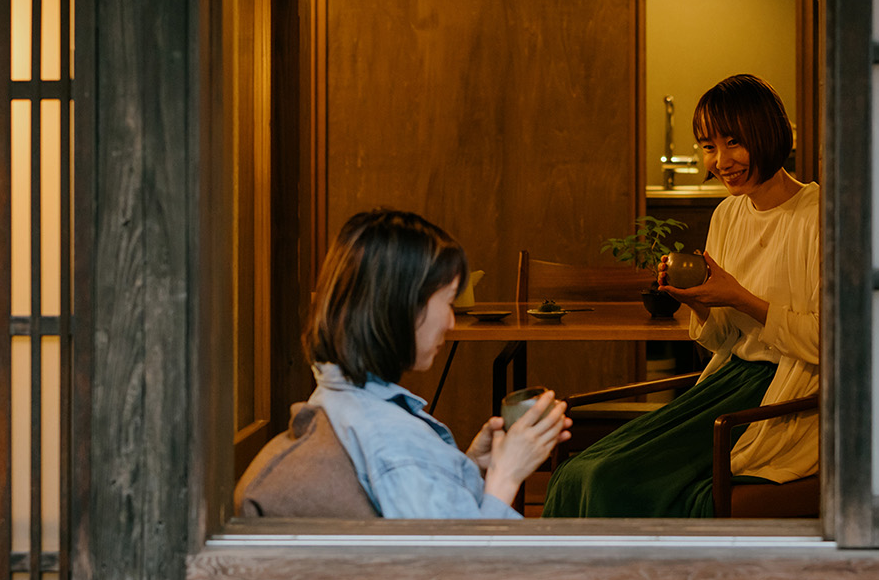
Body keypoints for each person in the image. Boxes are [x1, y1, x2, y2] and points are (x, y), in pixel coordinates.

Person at [543, 74, 818, 517]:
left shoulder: (818, 217)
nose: (720, 161)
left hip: (785, 393)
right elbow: (723, 339)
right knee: (580, 469)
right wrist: (699, 300)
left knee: (609, 477)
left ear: (768, 134)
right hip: (728, 382)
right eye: (709, 146)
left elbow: (832, 344)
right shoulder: (728, 215)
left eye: (734, 142)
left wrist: (739, 296)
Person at [301, 208, 571, 518]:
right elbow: (454, 561)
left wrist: (469, 466)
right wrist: (507, 476)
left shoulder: (338, 400)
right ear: (403, 306)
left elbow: (431, 510)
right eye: (448, 301)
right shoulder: (393, 441)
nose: (452, 322)